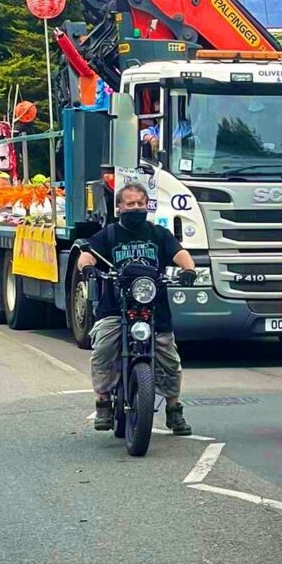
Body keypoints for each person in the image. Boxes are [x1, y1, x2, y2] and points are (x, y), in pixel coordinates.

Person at [77, 182, 195, 435]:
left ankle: (174, 410)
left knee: (170, 359)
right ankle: (103, 403)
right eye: (130, 204)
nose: (136, 208)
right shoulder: (108, 235)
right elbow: (87, 255)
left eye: (141, 203)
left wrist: (189, 270)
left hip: (155, 309)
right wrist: (87, 267)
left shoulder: (159, 233)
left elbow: (180, 253)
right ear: (119, 207)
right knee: (103, 349)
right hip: (114, 308)